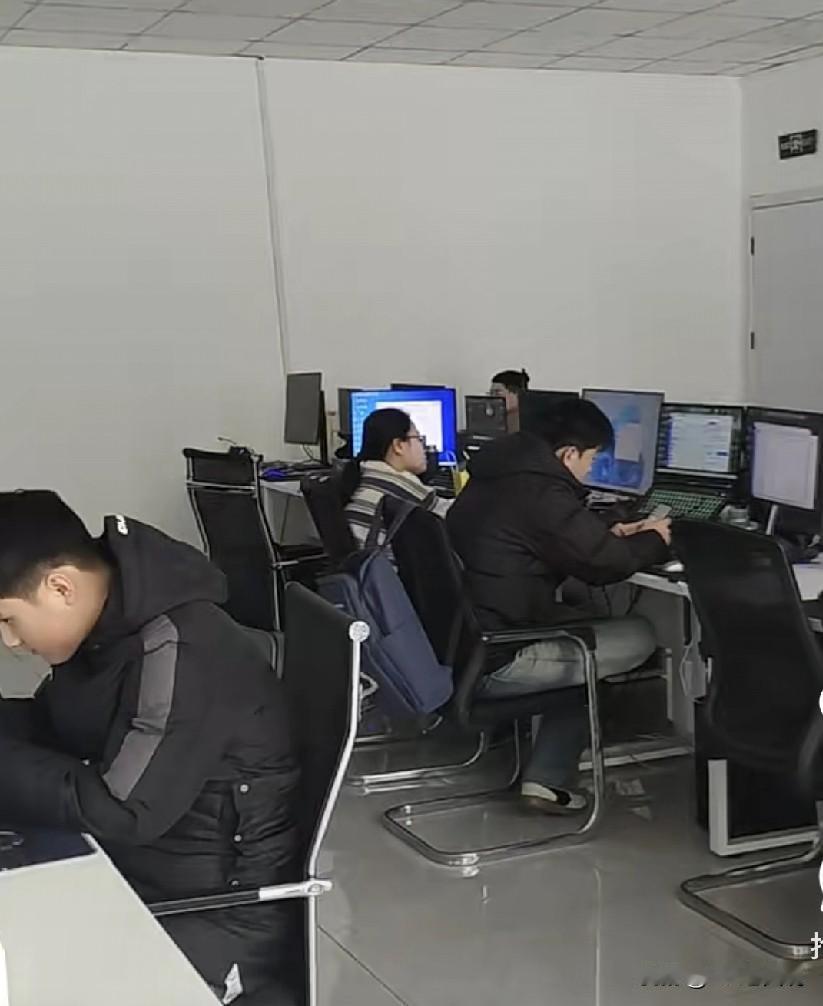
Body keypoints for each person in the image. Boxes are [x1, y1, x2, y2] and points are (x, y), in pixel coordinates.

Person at [0, 491, 299, 1003]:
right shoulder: (106, 625)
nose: (9, 643)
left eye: (7, 620)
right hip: (139, 866)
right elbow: (53, 724)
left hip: (210, 911)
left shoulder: (179, 646)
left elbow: (124, 809)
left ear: (60, 587)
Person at [446, 398, 671, 815]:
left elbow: (549, 535)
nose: (590, 470)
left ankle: (545, 776)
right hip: (501, 655)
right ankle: (546, 779)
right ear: (568, 454)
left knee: (589, 623)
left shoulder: (498, 474)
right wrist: (656, 538)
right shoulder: (540, 493)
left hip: (465, 644)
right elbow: (606, 565)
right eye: (591, 459)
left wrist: (610, 530)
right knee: (639, 634)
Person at [343, 408, 450, 547]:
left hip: (364, 559)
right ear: (398, 445)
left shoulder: (366, 474)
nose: (424, 448)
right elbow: (454, 515)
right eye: (419, 439)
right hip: (384, 560)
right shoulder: (397, 484)